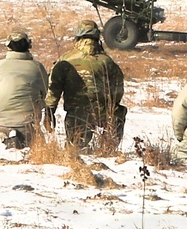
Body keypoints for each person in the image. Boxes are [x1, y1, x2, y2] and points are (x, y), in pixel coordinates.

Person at [45, 18, 126, 151]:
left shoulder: (66, 60)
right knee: (119, 112)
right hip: (105, 115)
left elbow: (53, 91)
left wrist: (49, 112)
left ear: (77, 37)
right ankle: (108, 149)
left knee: (75, 148)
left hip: (76, 117)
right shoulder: (107, 62)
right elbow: (117, 91)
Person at [0, 28, 48, 148]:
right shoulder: (37, 67)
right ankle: (22, 141)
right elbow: (45, 93)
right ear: (29, 45)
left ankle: (9, 136)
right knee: (35, 139)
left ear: (8, 46)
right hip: (28, 121)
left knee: (6, 129)